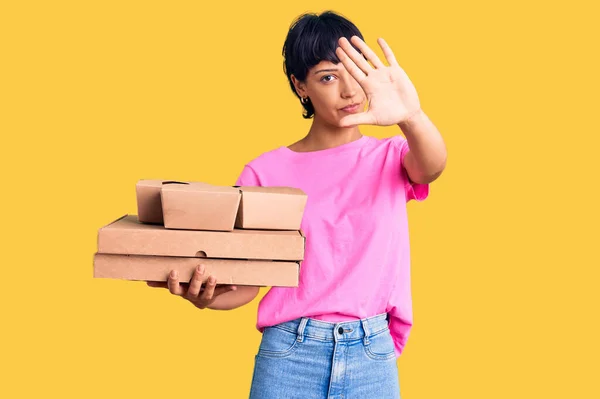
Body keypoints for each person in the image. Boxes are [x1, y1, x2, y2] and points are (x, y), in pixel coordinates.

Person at [148, 10, 447, 398]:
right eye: (327, 77)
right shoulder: (265, 171)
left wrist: (412, 116)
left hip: (371, 353)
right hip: (290, 353)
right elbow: (246, 284)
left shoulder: (391, 156)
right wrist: (204, 296)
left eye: (355, 72)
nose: (348, 91)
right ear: (300, 85)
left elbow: (432, 167)